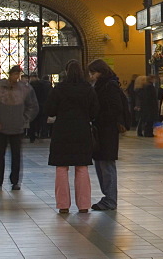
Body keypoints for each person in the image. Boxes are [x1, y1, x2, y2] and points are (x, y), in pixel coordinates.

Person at [45, 60, 98, 213]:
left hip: (62, 130)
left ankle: (63, 205)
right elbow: (95, 111)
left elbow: (50, 109)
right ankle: (83, 205)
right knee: (81, 167)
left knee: (61, 168)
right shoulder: (88, 89)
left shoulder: (59, 88)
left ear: (66, 72)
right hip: (82, 130)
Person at [0, 65, 38, 191]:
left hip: (17, 127)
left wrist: (24, 119)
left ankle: (15, 181)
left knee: (16, 156)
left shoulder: (25, 89)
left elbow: (33, 106)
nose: (16, 77)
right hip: (1, 126)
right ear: (10, 74)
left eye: (18, 74)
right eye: (15, 74)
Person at [87, 59, 130, 211]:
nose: (91, 76)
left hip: (107, 132)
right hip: (102, 131)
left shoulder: (109, 86)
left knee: (107, 165)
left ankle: (110, 199)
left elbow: (115, 108)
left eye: (93, 73)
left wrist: (98, 117)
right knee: (102, 165)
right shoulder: (102, 85)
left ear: (101, 72)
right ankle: (107, 197)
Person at [29, 74, 51, 142]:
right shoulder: (45, 85)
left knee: (33, 121)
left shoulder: (30, 86)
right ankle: (43, 134)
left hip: (34, 105)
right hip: (43, 104)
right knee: (43, 120)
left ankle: (32, 136)